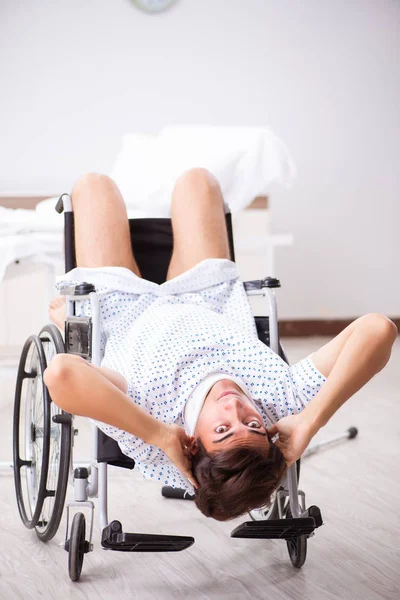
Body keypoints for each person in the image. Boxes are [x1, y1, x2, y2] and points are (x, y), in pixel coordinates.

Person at [44, 169, 397, 521]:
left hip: (121, 310)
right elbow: (378, 329)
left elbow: (60, 375)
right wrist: (310, 421)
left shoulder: (153, 429)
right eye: (254, 426)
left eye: (223, 429)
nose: (237, 410)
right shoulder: (280, 403)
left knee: (92, 186)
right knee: (197, 181)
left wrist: (159, 434)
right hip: (208, 297)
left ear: (193, 442)